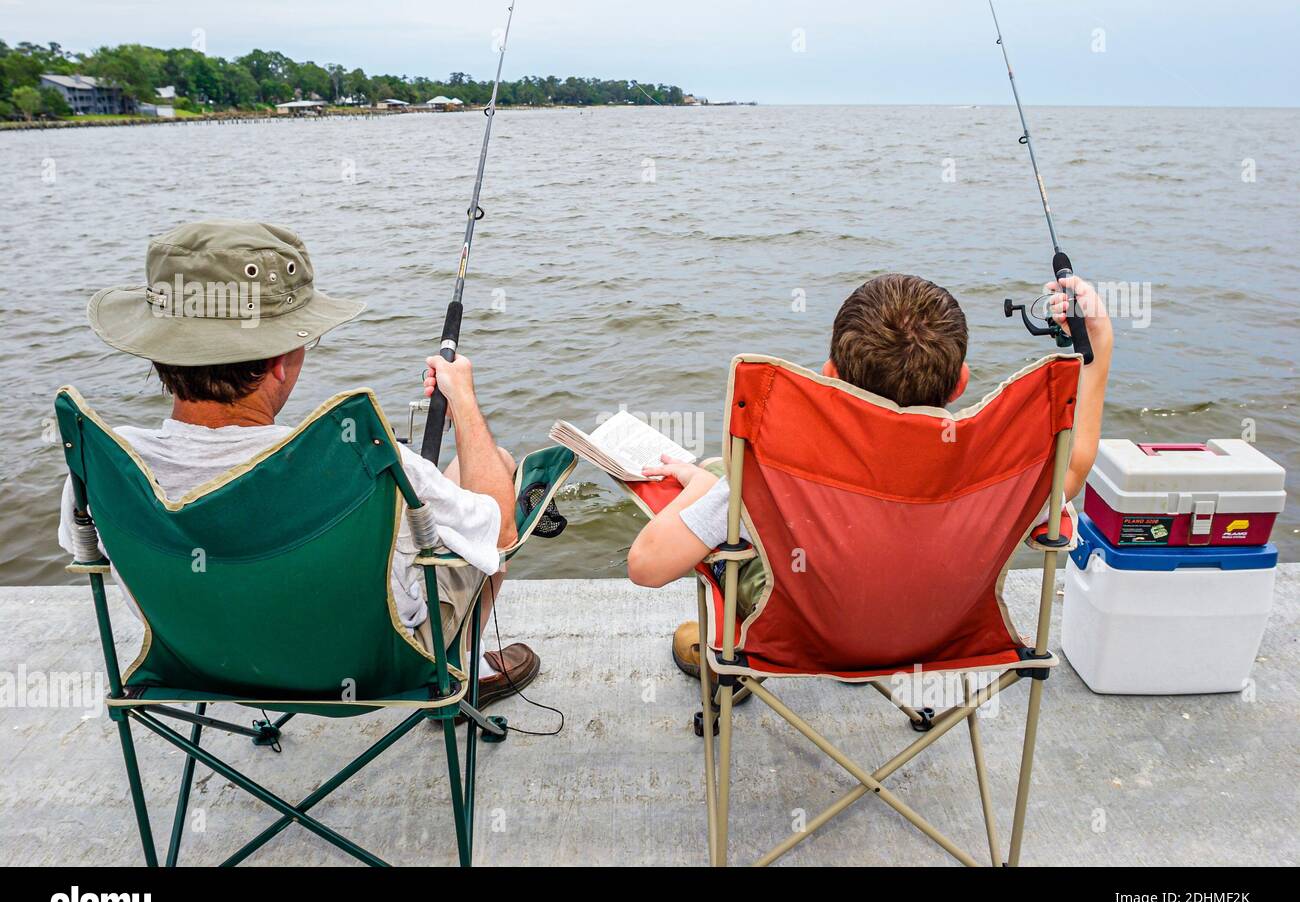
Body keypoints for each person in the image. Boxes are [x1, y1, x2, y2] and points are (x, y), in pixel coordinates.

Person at [57, 220, 540, 706]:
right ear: (278, 362)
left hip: (200, 667)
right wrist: (463, 401)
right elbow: (500, 535)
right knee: (491, 467)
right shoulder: (356, 461)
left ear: (159, 350)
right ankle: (463, 670)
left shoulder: (102, 464)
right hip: (376, 671)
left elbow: (88, 554)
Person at [626, 271, 1113, 685]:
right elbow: (1073, 466)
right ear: (961, 381)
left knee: (726, 490)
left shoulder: (772, 473)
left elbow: (647, 567)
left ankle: (722, 657)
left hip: (806, 638)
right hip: (945, 636)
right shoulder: (1001, 475)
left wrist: (708, 486)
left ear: (829, 377)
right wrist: (1100, 343)